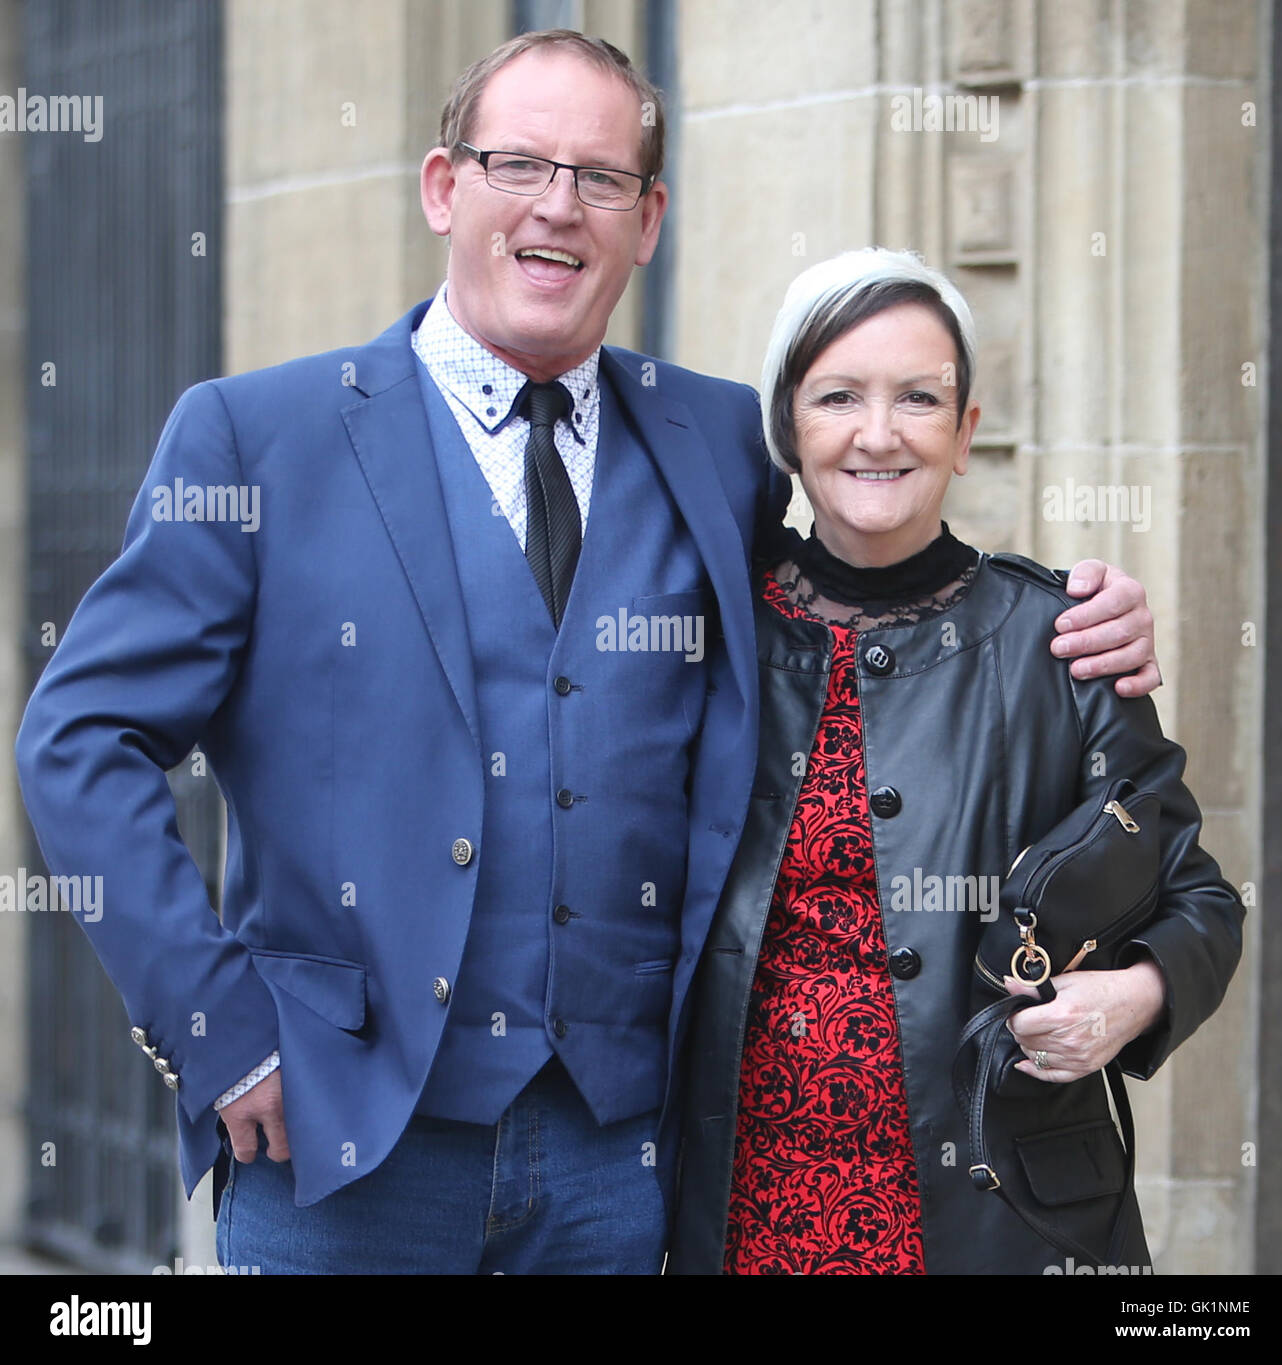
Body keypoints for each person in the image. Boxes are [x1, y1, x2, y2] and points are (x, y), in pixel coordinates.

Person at [15, 33, 1160, 1275]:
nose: (558, 206)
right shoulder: (254, 438)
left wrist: (1066, 611)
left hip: (619, 1168)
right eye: (519, 165)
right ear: (444, 188)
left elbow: (858, 575)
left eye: (601, 178)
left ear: (650, 218)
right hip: (341, 1163)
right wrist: (215, 1026)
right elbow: (80, 743)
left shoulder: (717, 437)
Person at [666, 247, 1244, 1276]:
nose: (877, 433)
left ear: (966, 431)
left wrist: (1134, 998)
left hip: (996, 1213)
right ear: (785, 429)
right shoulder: (710, 639)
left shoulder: (1062, 639)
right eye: (836, 395)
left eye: (919, 399)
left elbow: (1198, 896)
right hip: (746, 1204)